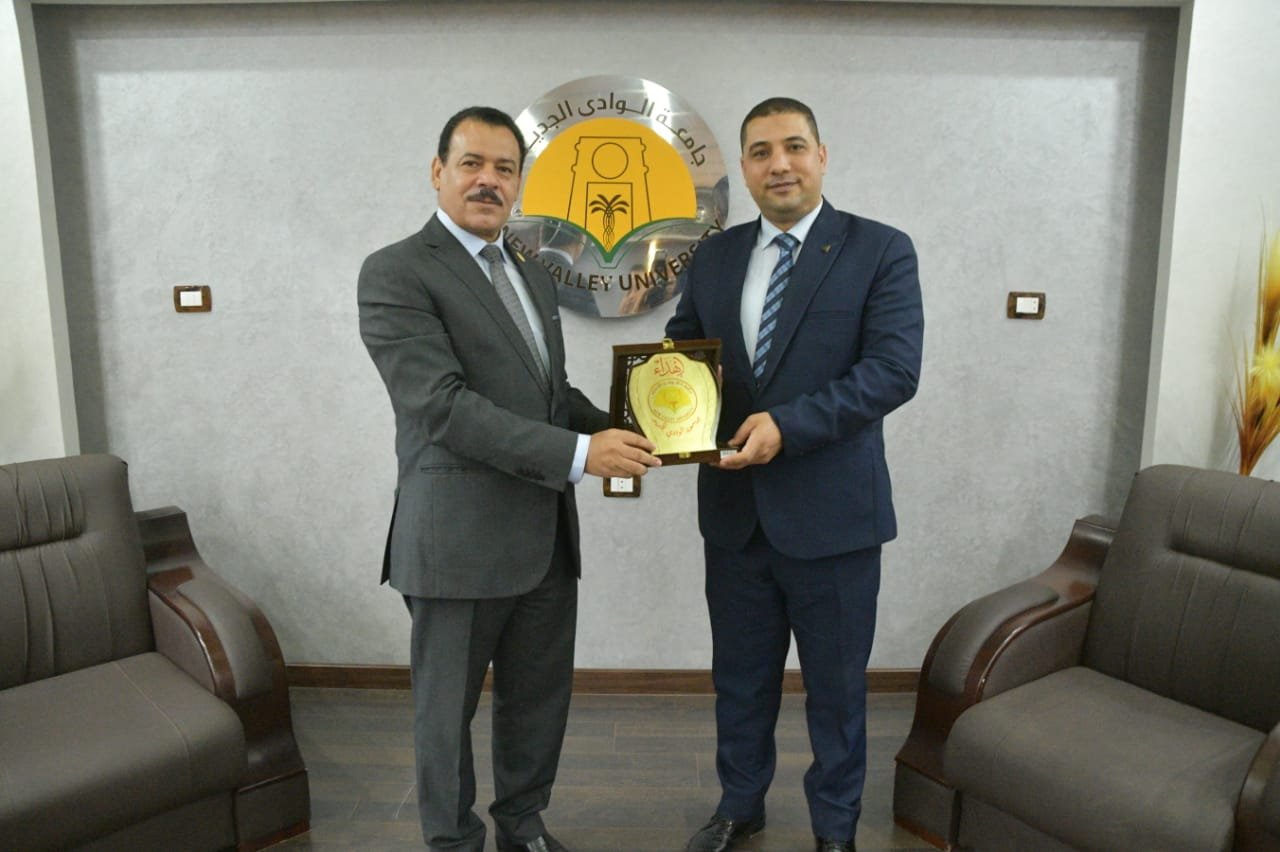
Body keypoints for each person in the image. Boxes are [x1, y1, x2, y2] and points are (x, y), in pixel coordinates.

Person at [358, 105, 660, 852]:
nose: (487, 181)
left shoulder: (528, 269)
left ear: (520, 182)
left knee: (537, 702)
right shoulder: (396, 271)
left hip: (545, 536)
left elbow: (551, 397)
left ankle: (522, 827)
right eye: (471, 164)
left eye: (504, 168)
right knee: (445, 713)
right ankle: (452, 841)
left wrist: (640, 421)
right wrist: (582, 455)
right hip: (456, 543)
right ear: (438, 171)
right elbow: (443, 407)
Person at [665, 97, 924, 852]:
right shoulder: (714, 256)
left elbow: (892, 371)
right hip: (735, 514)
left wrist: (788, 425)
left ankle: (835, 829)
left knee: (836, 691)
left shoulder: (880, 250)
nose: (779, 164)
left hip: (835, 519)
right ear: (745, 169)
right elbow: (685, 347)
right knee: (740, 679)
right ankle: (739, 804)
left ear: (821, 156)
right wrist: (673, 399)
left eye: (794, 147)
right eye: (760, 152)